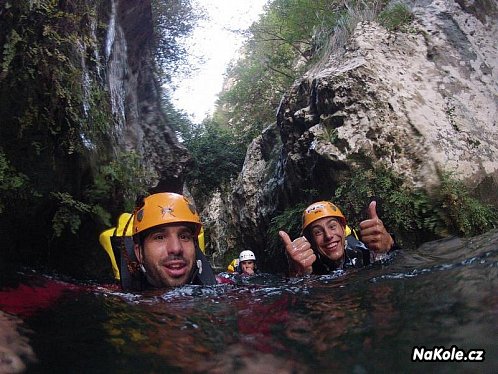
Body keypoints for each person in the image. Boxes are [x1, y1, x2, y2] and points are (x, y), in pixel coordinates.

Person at [279, 200, 396, 276]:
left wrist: (389, 246)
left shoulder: (363, 249)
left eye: (332, 226)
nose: (328, 236)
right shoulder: (309, 265)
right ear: (311, 241)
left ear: (343, 227)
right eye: (318, 232)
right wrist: (298, 273)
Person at [132, 192, 217, 289]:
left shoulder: (223, 287)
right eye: (160, 237)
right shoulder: (116, 297)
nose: (176, 248)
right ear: (139, 253)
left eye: (184, 237)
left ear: (195, 245)